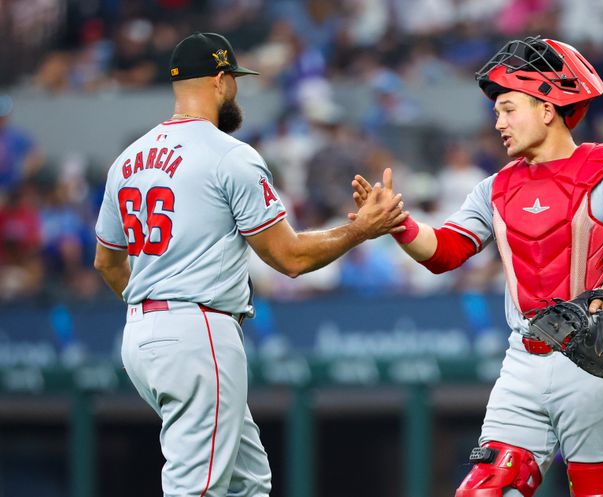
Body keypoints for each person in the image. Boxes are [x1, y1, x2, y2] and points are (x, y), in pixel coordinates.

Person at [93, 32, 406, 497]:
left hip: (141, 333)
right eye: (234, 80)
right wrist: (362, 229)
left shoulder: (128, 159)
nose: (236, 90)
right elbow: (290, 258)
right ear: (220, 81)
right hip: (198, 331)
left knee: (246, 482)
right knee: (196, 488)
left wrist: (155, 312)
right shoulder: (230, 155)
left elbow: (106, 262)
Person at [351, 36, 603, 496]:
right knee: (485, 488)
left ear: (547, 108)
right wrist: (399, 224)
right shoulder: (494, 187)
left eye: (508, 108)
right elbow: (445, 252)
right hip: (523, 359)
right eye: (497, 111)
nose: (498, 121)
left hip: (594, 359)